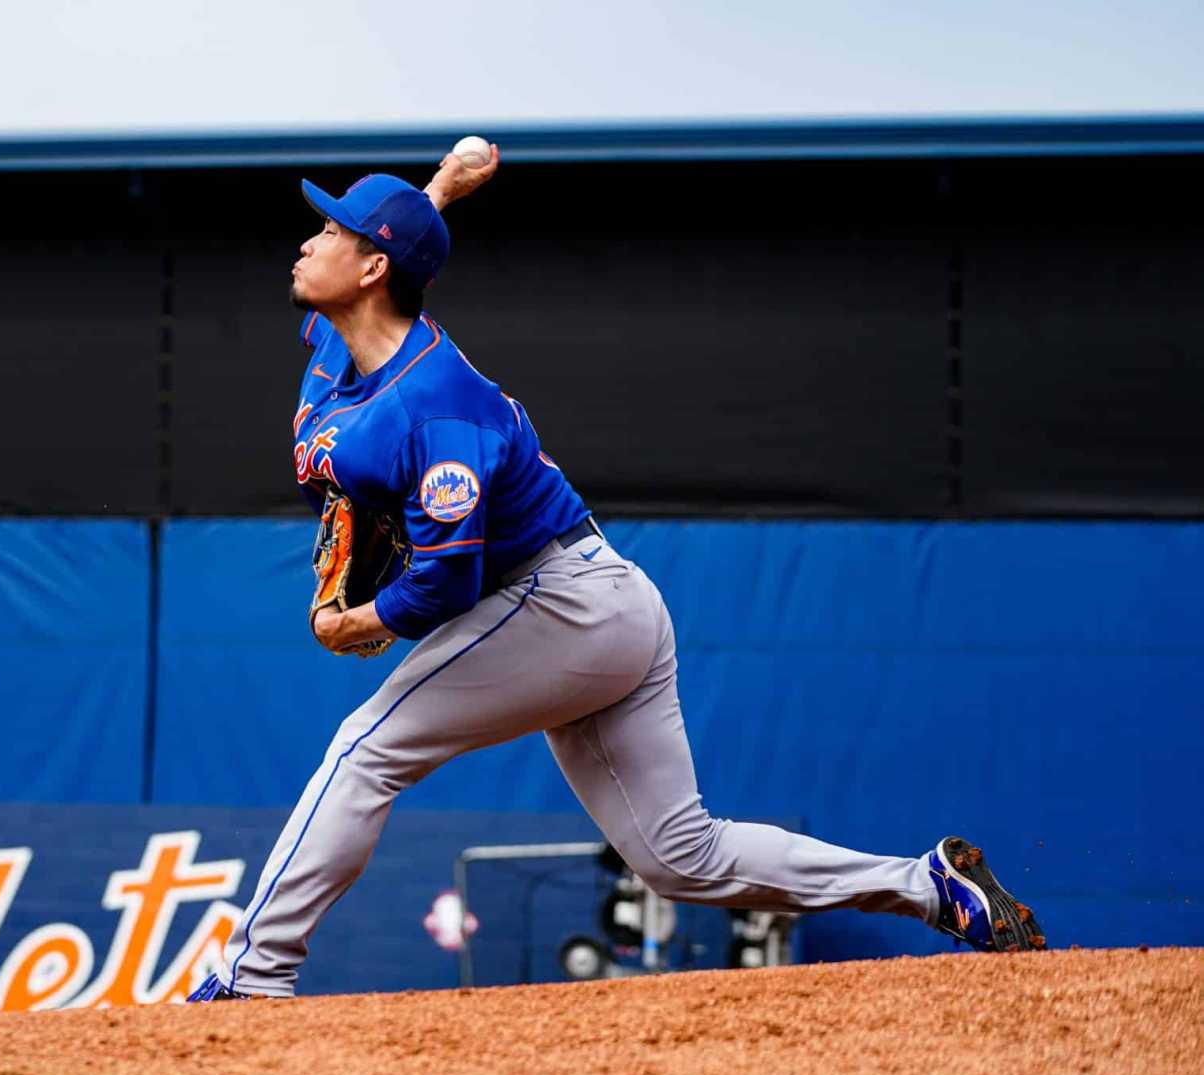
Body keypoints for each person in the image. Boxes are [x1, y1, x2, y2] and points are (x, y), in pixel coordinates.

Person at [189, 147, 1044, 1001]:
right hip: (598, 604)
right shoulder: (344, 353)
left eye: (331, 229)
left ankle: (253, 975)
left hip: (559, 603)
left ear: (372, 268)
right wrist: (439, 191)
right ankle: (930, 886)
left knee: (364, 750)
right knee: (681, 856)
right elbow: (401, 253)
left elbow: (446, 589)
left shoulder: (436, 404)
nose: (309, 240)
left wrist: (357, 620)